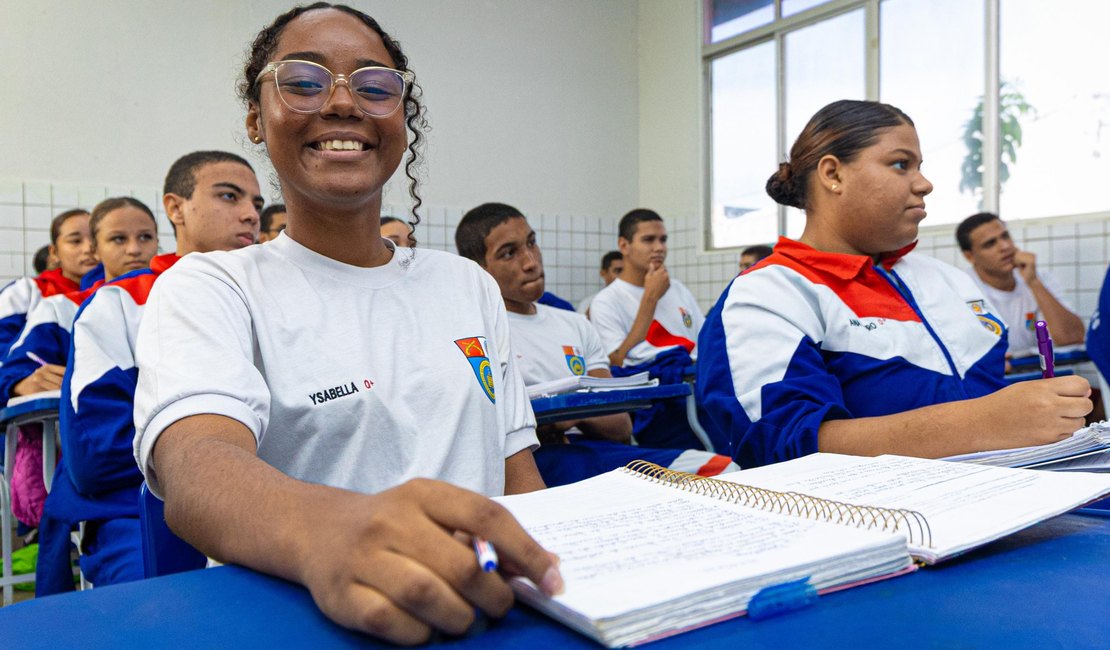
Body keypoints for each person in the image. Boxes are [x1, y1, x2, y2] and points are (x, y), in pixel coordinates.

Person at [130, 4, 560, 643]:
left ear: (402, 120)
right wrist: (325, 529)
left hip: (484, 610)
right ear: (257, 116)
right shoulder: (213, 285)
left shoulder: (464, 284)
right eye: (303, 82)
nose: (342, 103)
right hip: (303, 618)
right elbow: (196, 465)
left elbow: (514, 470)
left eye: (374, 85)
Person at [697, 99, 1091, 468]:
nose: (924, 184)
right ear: (833, 174)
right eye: (901, 165)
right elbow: (782, 448)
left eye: (919, 166)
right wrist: (984, 423)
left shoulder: (947, 281)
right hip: (878, 526)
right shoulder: (770, 294)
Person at [31, 152, 265, 596]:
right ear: (175, 208)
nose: (250, 213)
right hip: (145, 508)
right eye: (229, 196)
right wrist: (216, 469)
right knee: (165, 608)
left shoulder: (278, 301)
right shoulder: (119, 304)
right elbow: (96, 454)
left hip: (274, 503)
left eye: (256, 202)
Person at [456, 202, 737, 486]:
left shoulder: (575, 324)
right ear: (479, 268)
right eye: (509, 253)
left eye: (532, 243)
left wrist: (559, 418)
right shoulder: (477, 333)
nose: (530, 261)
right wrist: (569, 415)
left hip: (599, 452)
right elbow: (489, 435)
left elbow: (619, 426)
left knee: (725, 470)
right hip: (534, 464)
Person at [0, 196, 158, 536]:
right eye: (118, 239)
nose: (134, 249)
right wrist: (15, 382)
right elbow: (13, 365)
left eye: (145, 238)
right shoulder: (58, 306)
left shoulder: (173, 293)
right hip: (100, 453)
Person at [589, 208, 704, 368]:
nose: (659, 248)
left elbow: (704, 341)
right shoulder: (606, 301)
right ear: (623, 245)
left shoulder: (678, 289)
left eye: (663, 240)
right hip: (648, 390)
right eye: (649, 240)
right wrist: (650, 298)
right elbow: (617, 362)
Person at [956, 212, 1085, 353]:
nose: (1005, 246)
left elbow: (1073, 337)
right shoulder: (961, 291)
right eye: (990, 244)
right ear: (970, 256)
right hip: (991, 374)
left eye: (1005, 236)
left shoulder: (1040, 278)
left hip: (1039, 373)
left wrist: (1034, 282)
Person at [0, 209, 97, 356]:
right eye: (76, 241)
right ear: (54, 253)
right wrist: (21, 377)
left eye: (96, 239)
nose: (89, 248)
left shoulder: (117, 293)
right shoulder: (27, 291)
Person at [577, 250, 622, 317]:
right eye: (618, 271)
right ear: (603, 273)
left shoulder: (637, 302)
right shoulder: (587, 304)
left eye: (626, 271)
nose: (623, 276)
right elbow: (580, 326)